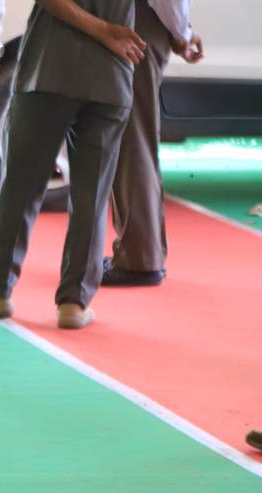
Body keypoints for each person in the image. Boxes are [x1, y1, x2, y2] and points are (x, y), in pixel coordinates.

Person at [0, 0, 140, 330]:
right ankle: (74, 301)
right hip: (112, 75)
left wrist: (104, 31)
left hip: (49, 68)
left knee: (21, 185)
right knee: (92, 196)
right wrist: (181, 34)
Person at [104, 0, 201, 287]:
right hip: (143, 22)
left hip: (140, 22)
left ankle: (140, 257)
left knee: (134, 142)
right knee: (132, 140)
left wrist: (182, 31)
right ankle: (139, 251)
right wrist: (181, 30)